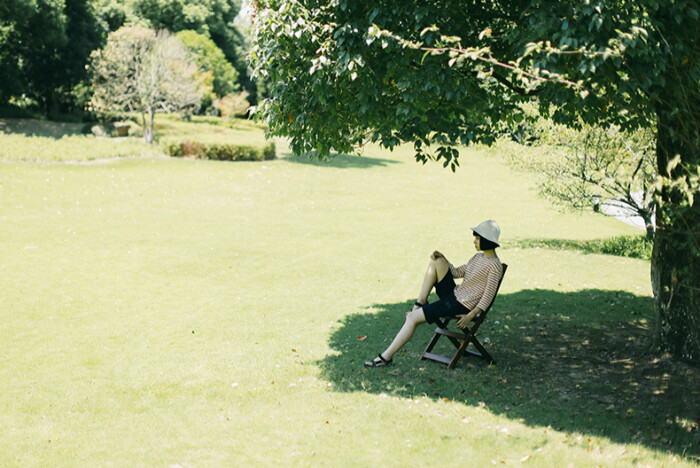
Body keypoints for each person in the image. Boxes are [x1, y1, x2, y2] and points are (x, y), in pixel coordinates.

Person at [364, 220, 504, 368]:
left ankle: (386, 357)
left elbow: (488, 295)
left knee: (412, 318)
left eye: (477, 238)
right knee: (436, 262)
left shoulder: (494, 266)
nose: (474, 241)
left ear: (486, 240)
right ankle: (420, 303)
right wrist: (443, 259)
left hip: (461, 305)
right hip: (454, 295)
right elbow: (456, 273)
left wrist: (470, 315)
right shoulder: (478, 258)